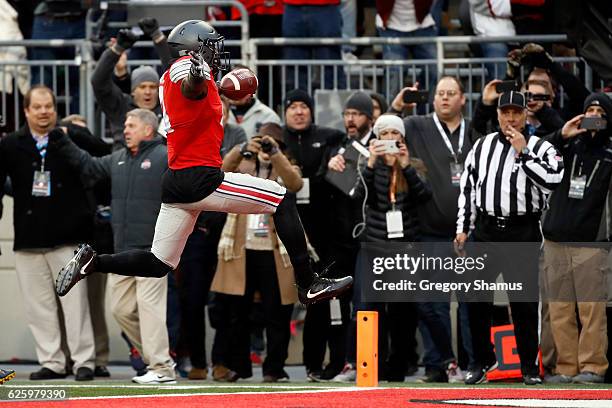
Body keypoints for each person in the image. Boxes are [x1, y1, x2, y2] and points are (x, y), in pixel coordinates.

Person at [55, 19, 353, 307]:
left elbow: (192, 96)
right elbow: (190, 87)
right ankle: (308, 284)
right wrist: (199, 75)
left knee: (160, 262)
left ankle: (94, 262)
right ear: (193, 50)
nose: (216, 52)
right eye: (210, 46)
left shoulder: (180, 72)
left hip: (177, 179)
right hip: (202, 178)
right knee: (282, 199)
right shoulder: (188, 70)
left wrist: (212, 82)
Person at [51, 109, 176, 384]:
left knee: (149, 308)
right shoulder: (118, 158)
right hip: (122, 252)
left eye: (131, 125)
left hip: (153, 251)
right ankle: (158, 360)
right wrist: (62, 140)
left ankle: (162, 368)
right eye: (125, 125)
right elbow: (88, 164)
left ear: (148, 129)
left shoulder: (165, 156)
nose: (125, 130)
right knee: (120, 310)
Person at [455, 91, 564, 385]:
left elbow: (553, 180)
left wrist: (523, 152)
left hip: (522, 231)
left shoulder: (541, 147)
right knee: (476, 299)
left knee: (524, 302)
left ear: (526, 114)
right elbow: (468, 187)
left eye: (517, 112)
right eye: (506, 112)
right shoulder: (482, 145)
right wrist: (463, 228)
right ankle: (480, 360)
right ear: (498, 114)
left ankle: (529, 366)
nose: (511, 118)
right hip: (486, 230)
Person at [0, 85, 103, 381]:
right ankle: (52, 362)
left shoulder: (69, 137)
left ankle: (84, 360)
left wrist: (76, 135)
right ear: (26, 111)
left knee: (75, 305)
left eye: (49, 107)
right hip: (28, 239)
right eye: (38, 107)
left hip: (68, 237)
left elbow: (103, 156)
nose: (44, 112)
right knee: (39, 308)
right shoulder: (11, 144)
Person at [389, 76, 475, 383]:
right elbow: (387, 131)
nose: (445, 98)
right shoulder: (416, 124)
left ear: (463, 99)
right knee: (430, 304)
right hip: (429, 230)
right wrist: (398, 105)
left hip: (468, 233)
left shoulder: (474, 130)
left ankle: (472, 364)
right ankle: (437, 364)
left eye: (452, 93)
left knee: (470, 306)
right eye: (440, 93)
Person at [212, 122, 301, 382]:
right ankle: (239, 366)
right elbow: (220, 172)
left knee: (277, 313)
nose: (265, 147)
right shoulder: (243, 167)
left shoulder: (285, 167)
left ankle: (274, 368)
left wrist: (275, 154)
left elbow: (295, 183)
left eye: (271, 142)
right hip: (242, 250)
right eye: (262, 141)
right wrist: (240, 150)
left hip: (275, 252)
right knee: (237, 313)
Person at [541, 93, 612, 384]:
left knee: (591, 309)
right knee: (559, 309)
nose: (593, 114)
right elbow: (537, 153)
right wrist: (561, 133)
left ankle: (593, 366)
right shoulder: (568, 145)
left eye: (600, 111)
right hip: (556, 238)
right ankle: (566, 367)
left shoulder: (610, 151)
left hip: (592, 241)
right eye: (589, 110)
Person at [91, 18, 171, 148]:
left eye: (153, 87)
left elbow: (174, 73)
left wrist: (158, 37)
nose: (147, 92)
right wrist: (116, 50)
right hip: (124, 164)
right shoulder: (121, 106)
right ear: (133, 91)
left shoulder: (166, 108)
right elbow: (98, 82)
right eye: (142, 87)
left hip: (160, 164)